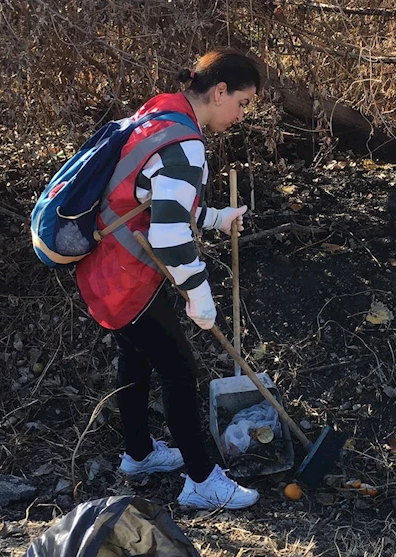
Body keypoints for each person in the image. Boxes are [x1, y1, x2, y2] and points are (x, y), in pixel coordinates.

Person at [75, 48, 262, 510]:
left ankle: (138, 453)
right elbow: (169, 232)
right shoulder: (186, 144)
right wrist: (199, 293)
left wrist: (215, 216)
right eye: (242, 102)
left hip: (104, 268)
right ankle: (201, 480)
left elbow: (154, 198)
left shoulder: (161, 113)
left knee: (135, 358)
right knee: (180, 371)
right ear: (219, 91)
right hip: (127, 277)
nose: (241, 114)